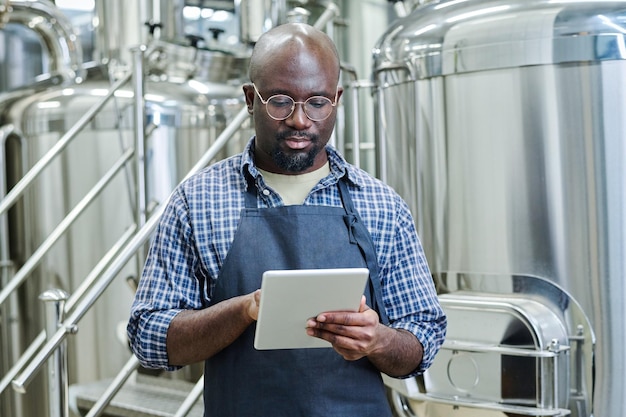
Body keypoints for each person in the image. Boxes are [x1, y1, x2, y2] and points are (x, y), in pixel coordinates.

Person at [127, 22, 446, 417]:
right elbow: (149, 338)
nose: (299, 120)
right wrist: (244, 310)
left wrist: (377, 340)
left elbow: (424, 339)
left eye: (317, 102)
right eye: (280, 101)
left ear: (337, 99)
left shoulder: (381, 205)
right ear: (250, 98)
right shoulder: (198, 202)